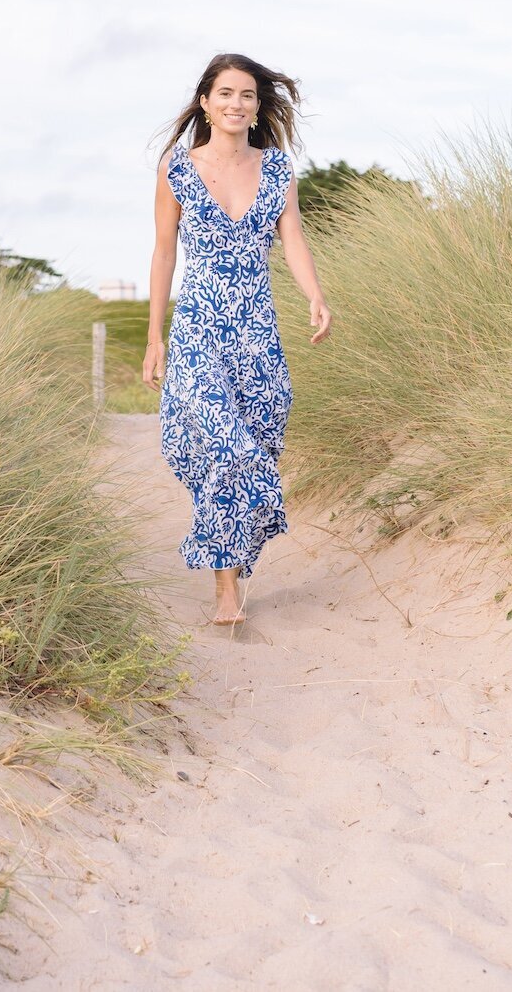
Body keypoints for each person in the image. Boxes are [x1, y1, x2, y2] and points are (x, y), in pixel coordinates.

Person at [143, 52, 332, 626]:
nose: (236, 103)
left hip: (256, 331)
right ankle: (225, 590)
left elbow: (293, 238)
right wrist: (155, 338)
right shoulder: (176, 168)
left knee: (257, 441)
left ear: (257, 106)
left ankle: (233, 574)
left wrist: (315, 295)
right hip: (199, 327)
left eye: (247, 95)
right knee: (226, 450)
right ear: (205, 102)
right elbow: (164, 251)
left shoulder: (277, 168)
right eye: (225, 93)